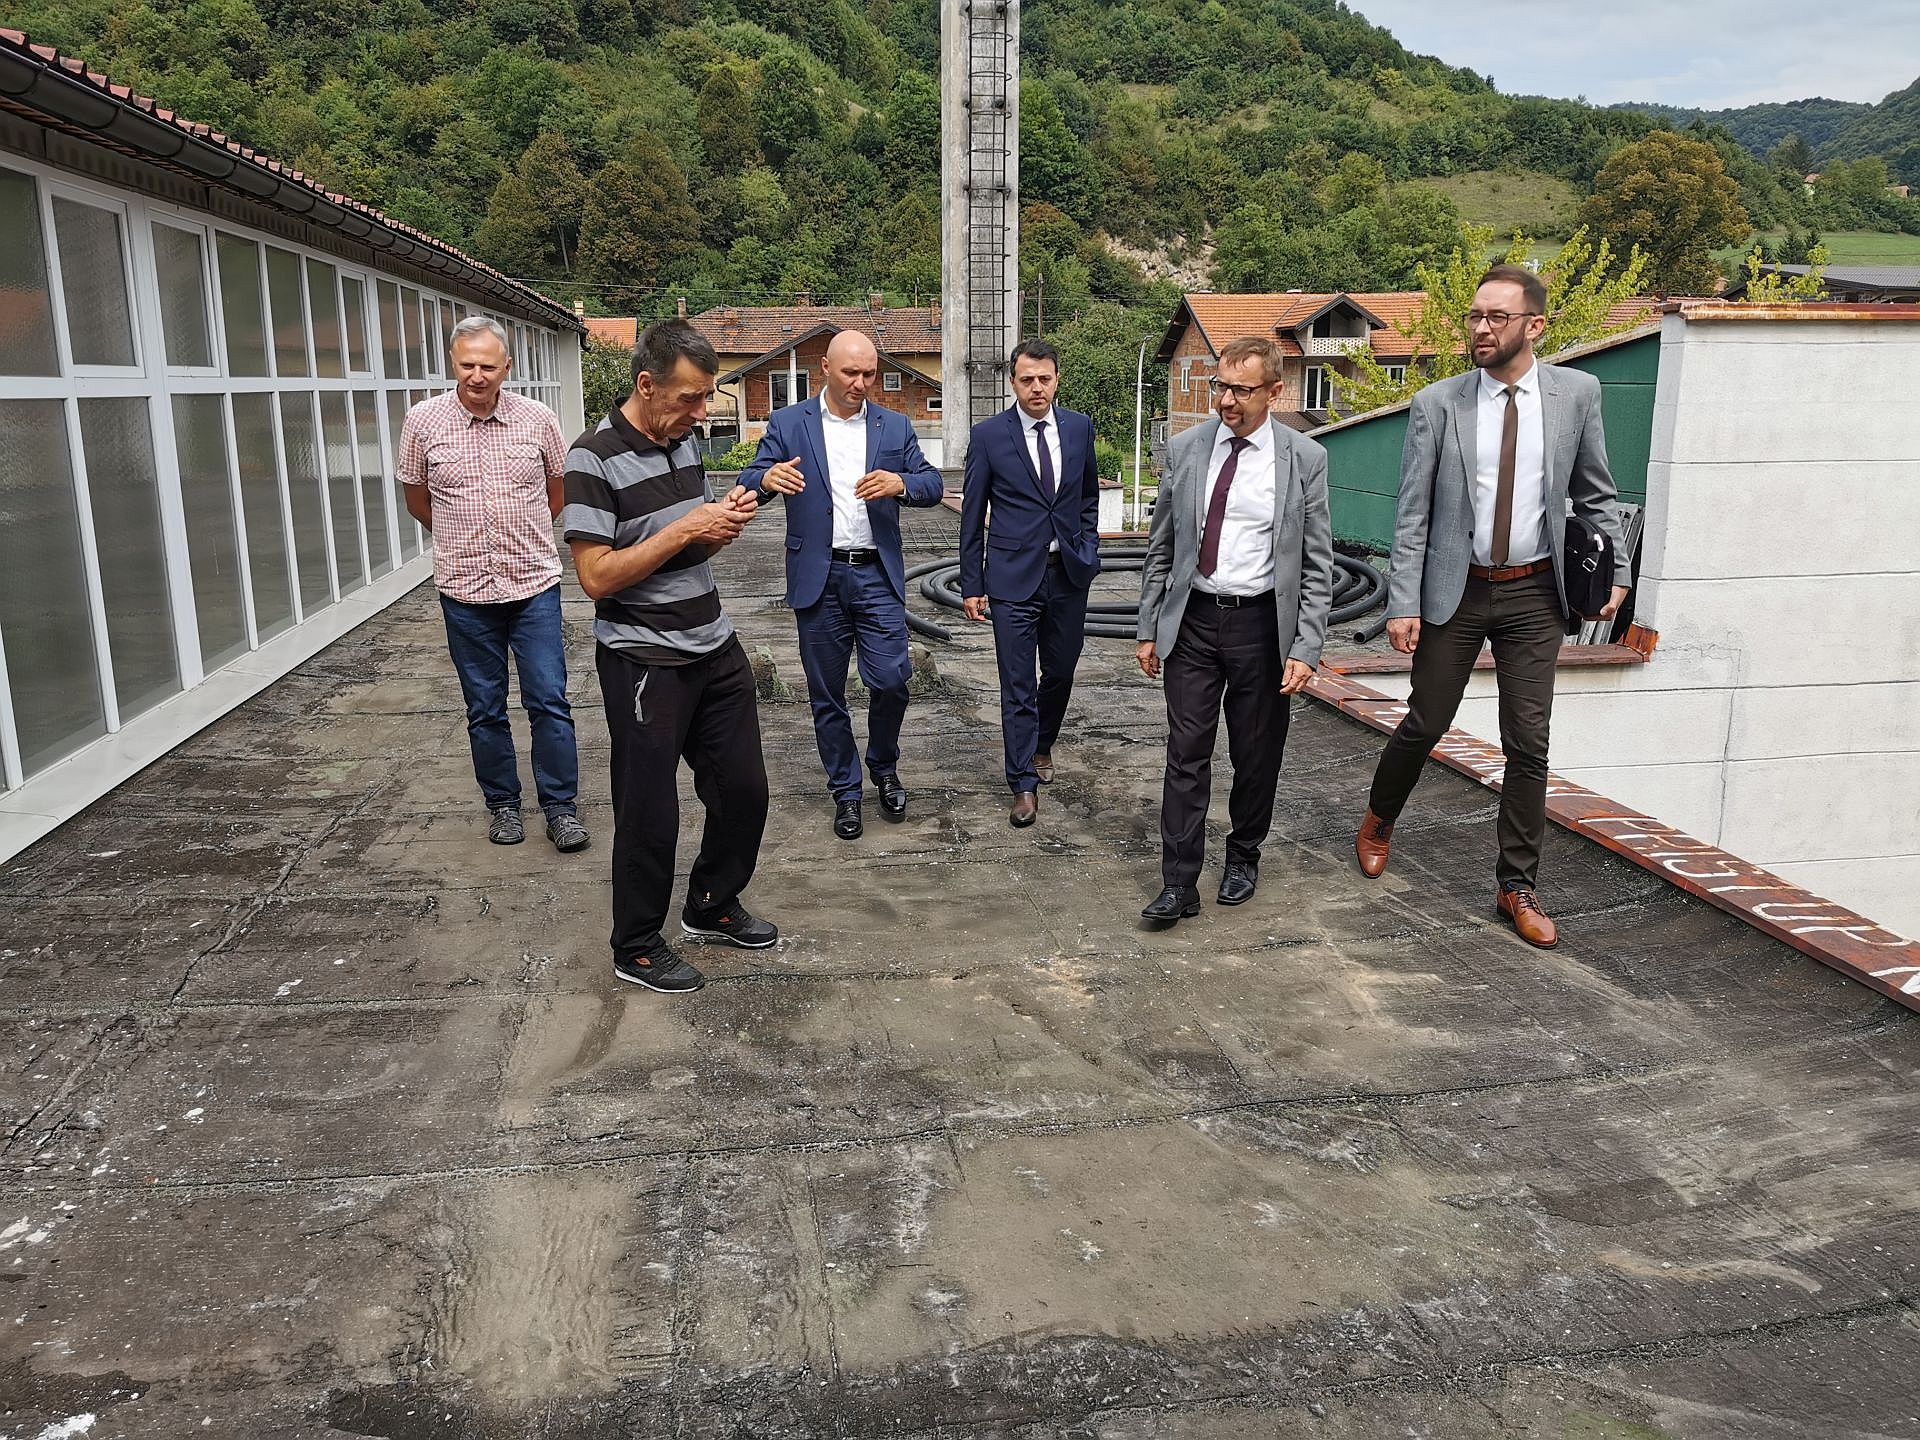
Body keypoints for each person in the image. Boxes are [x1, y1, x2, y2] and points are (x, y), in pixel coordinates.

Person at [1354, 264, 1632, 950]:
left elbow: (1596, 494)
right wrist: (1403, 600)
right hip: (1458, 588)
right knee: (1426, 720)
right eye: (1475, 316)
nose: (1480, 328)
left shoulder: (1577, 395)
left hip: (1537, 592)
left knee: (1529, 742)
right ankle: (1380, 818)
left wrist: (1618, 574)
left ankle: (1517, 885)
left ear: (1534, 326)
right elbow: (1413, 512)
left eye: (1496, 317)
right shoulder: (1438, 403)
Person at [561, 319, 774, 995]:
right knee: (650, 809)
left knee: (744, 790)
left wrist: (718, 527)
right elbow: (595, 576)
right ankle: (637, 944)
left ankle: (711, 903)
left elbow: (686, 547)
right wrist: (686, 528)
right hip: (644, 659)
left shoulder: (682, 444)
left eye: (706, 396)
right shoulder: (591, 458)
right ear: (646, 384)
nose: (700, 411)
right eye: (689, 397)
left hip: (713, 641)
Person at [1136, 336, 1334, 923]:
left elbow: (1316, 562)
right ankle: (1179, 883)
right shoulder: (1186, 449)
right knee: (1185, 752)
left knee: (1256, 754)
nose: (1225, 400)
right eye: (1220, 386)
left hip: (1262, 627)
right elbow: (1162, 545)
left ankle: (1244, 854)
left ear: (1274, 392)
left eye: (1241, 391)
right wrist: (1148, 626)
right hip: (1193, 622)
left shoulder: (1305, 458)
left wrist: (1306, 646)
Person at [740, 330, 944, 840]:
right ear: (826, 369)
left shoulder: (894, 426)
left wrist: (901, 483)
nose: (861, 382)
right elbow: (751, 478)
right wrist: (765, 480)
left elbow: (933, 484)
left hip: (877, 574)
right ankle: (846, 791)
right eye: (851, 372)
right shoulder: (790, 423)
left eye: (870, 373)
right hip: (819, 576)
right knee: (826, 693)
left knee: (892, 680)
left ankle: (883, 765)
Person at [399, 315, 589, 854]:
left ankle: (561, 809)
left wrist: (520, 533)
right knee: (484, 707)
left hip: (533, 586)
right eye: (466, 365)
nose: (476, 376)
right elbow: (417, 499)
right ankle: (503, 805)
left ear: (507, 366)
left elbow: (557, 491)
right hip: (464, 591)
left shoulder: (538, 419)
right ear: (452, 363)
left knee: (549, 700)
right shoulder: (423, 421)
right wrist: (461, 535)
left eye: (487, 365)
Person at [958, 338, 1101, 827]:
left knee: (1060, 671)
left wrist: (1088, 547)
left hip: (1068, 575)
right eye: (1026, 380)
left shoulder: (1079, 428)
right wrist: (972, 583)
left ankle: (1042, 745)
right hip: (1011, 579)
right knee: (1017, 683)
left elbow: (1087, 497)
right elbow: (972, 515)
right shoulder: (989, 436)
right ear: (1013, 382)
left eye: (1044, 379)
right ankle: (1022, 783)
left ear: (1057, 379)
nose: (1036, 388)